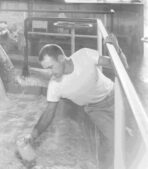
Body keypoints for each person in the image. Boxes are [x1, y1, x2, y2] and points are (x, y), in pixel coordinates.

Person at [26, 35, 128, 169]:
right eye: (46, 69)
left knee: (137, 134)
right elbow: (48, 113)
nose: (50, 72)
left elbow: (122, 67)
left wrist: (116, 48)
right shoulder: (55, 85)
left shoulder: (84, 55)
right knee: (118, 142)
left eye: (51, 67)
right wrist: (32, 136)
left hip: (115, 96)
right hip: (95, 110)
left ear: (61, 58)